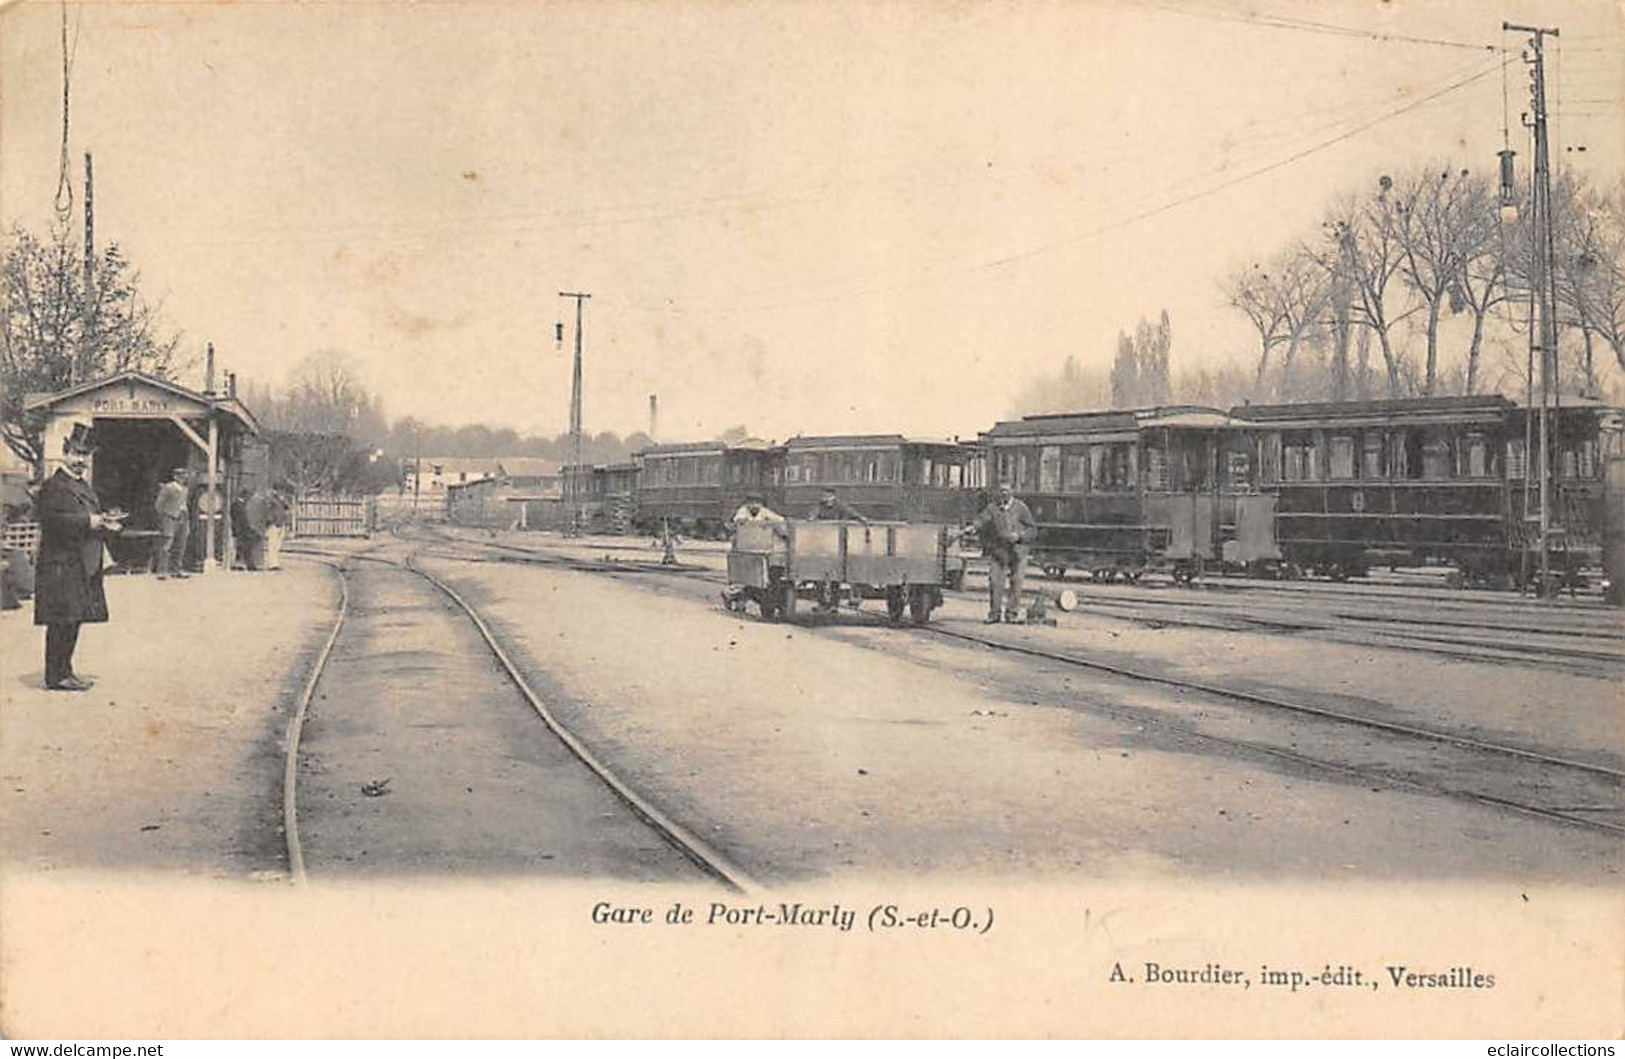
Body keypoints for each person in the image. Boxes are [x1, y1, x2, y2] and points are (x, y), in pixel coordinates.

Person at [34, 424, 122, 691]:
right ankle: (55, 676)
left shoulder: (83, 485)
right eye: (75, 453)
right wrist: (89, 521)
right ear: (64, 453)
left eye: (85, 455)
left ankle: (65, 671)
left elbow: (87, 518)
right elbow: (51, 521)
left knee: (74, 619)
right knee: (61, 620)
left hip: (80, 562)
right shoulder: (53, 486)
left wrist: (106, 522)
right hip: (61, 564)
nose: (80, 460)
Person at [972, 483, 1037, 623]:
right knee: (995, 582)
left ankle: (1012, 614)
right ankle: (994, 614)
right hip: (999, 551)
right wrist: (973, 527)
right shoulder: (992, 508)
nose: (1003, 494)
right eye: (1001, 491)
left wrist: (1019, 536)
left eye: (1006, 491)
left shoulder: (1021, 508)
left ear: (1012, 492)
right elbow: (981, 520)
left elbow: (1032, 529)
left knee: (1016, 582)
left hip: (1018, 552)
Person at [153, 467, 191, 579]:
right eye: (181, 476)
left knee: (181, 545)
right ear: (175, 477)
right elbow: (158, 504)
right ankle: (162, 571)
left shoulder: (185, 489)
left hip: (183, 517)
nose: (183, 478)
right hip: (170, 517)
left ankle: (176, 569)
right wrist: (165, 516)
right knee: (166, 545)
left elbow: (184, 504)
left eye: (184, 476)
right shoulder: (168, 487)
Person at [263, 489, 290, 570]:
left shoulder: (281, 501)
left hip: (280, 524)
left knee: (277, 545)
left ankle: (275, 562)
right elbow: (267, 512)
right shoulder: (270, 501)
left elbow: (287, 507)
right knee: (272, 545)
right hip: (274, 524)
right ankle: (272, 564)